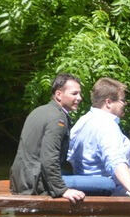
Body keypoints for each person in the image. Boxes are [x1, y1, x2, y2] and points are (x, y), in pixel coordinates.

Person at [10, 73, 114, 203]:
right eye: (74, 94)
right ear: (59, 95)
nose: (79, 98)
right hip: (36, 184)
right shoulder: (58, 119)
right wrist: (62, 190)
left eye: (80, 94)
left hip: (20, 180)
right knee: (107, 184)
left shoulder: (39, 110)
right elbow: (49, 157)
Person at [67, 77, 130, 207]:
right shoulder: (106, 126)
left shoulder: (83, 120)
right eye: (122, 100)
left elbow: (70, 157)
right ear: (108, 102)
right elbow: (116, 163)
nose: (125, 104)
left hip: (91, 185)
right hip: (115, 189)